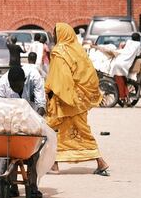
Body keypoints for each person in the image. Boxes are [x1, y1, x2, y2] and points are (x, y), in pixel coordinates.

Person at [46, 23, 110, 176]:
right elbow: (90, 75)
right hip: (79, 101)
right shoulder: (79, 51)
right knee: (73, 130)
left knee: (54, 130)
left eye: (55, 33)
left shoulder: (59, 52)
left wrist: (50, 90)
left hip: (65, 100)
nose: (54, 37)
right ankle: (54, 163)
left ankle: (100, 161)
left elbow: (61, 76)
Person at [0, 65, 46, 198]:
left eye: (18, 86)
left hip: (32, 118)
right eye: (13, 86)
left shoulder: (34, 78)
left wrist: (32, 124)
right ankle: (13, 187)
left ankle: (33, 186)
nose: (15, 89)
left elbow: (41, 105)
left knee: (33, 153)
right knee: (9, 151)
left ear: (24, 80)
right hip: (9, 121)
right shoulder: (2, 84)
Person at [110, 33, 140, 102]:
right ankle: (123, 97)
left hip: (118, 62)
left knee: (120, 81)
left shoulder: (129, 42)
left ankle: (123, 97)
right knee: (122, 81)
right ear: (138, 38)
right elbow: (138, 54)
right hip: (125, 64)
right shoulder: (138, 44)